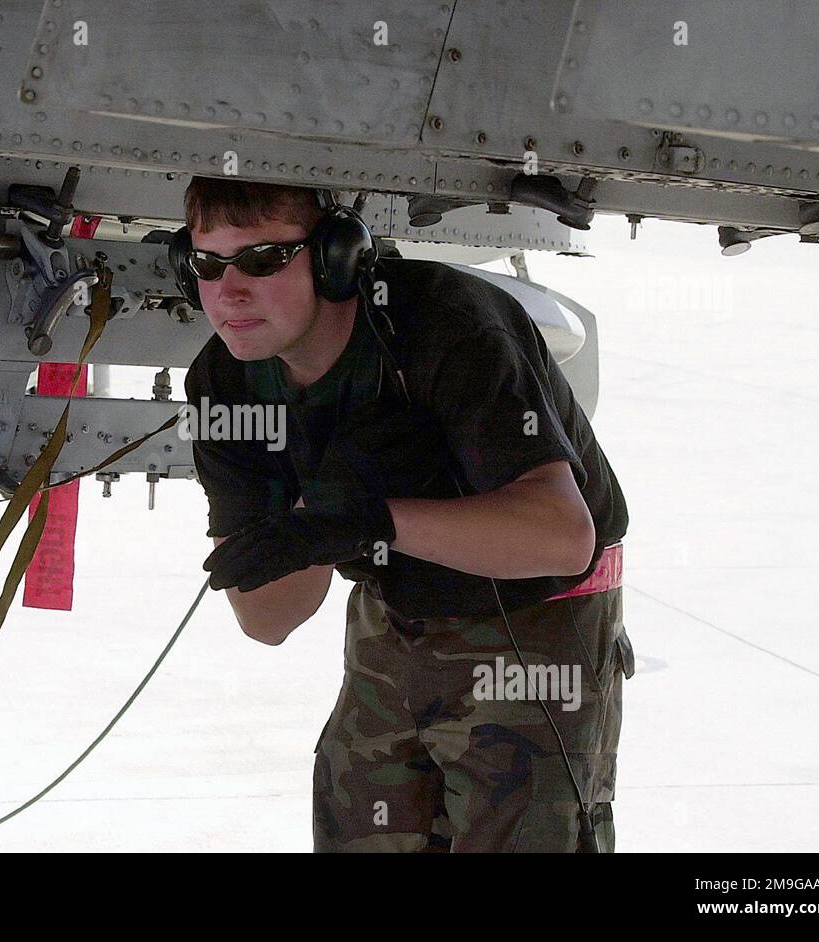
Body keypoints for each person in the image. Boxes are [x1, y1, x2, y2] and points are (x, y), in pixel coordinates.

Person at [179, 176, 632, 852]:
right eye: (206, 264)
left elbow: (563, 537)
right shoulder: (225, 383)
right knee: (362, 826)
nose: (229, 291)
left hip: (533, 618)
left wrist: (373, 519)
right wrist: (323, 520)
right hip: (392, 611)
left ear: (334, 258)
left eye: (262, 260)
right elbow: (268, 618)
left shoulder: (448, 324)